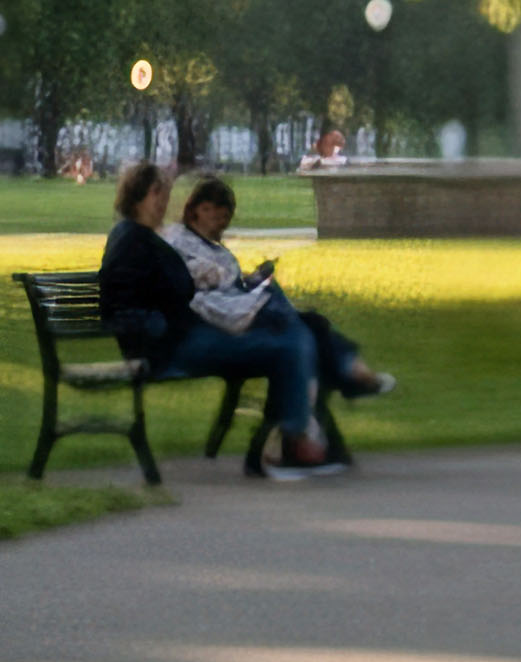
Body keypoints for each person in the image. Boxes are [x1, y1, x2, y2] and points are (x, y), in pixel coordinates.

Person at [97, 162, 344, 478]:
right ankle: (284, 447)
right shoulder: (131, 241)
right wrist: (157, 326)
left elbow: (173, 291)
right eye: (157, 193)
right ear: (137, 196)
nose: (163, 201)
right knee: (288, 345)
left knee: (293, 337)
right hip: (170, 347)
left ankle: (287, 442)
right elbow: (119, 306)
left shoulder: (144, 239)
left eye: (165, 193)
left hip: (185, 335)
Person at [168, 176, 395, 401]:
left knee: (309, 326)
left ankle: (342, 380)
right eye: (221, 217)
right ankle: (350, 377)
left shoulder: (211, 245)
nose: (224, 225)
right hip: (222, 319)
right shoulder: (180, 239)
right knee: (310, 328)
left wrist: (253, 278)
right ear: (203, 209)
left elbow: (228, 282)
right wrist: (236, 280)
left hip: (236, 310)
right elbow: (198, 278)